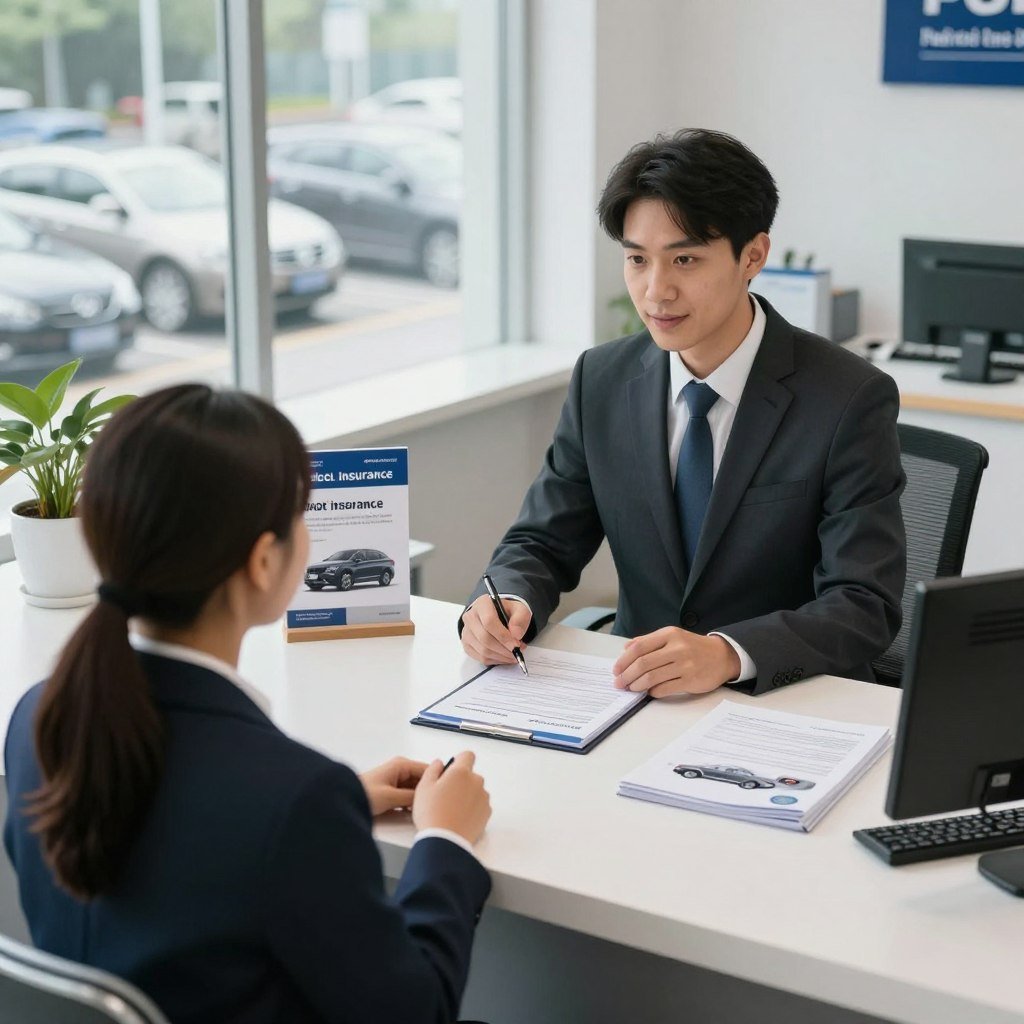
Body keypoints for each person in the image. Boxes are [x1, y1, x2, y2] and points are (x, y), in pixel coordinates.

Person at [4, 385, 492, 1024]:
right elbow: (417, 1012)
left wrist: (336, 798)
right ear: (264, 561)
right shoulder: (293, 802)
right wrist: (446, 841)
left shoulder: (36, 718)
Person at [461, 129, 906, 697]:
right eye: (637, 260)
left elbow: (862, 604)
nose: (655, 292)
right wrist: (504, 601)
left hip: (788, 701)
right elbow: (542, 541)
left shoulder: (848, 397)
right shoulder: (602, 380)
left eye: (685, 259)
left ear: (754, 256)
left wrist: (727, 654)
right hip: (638, 697)